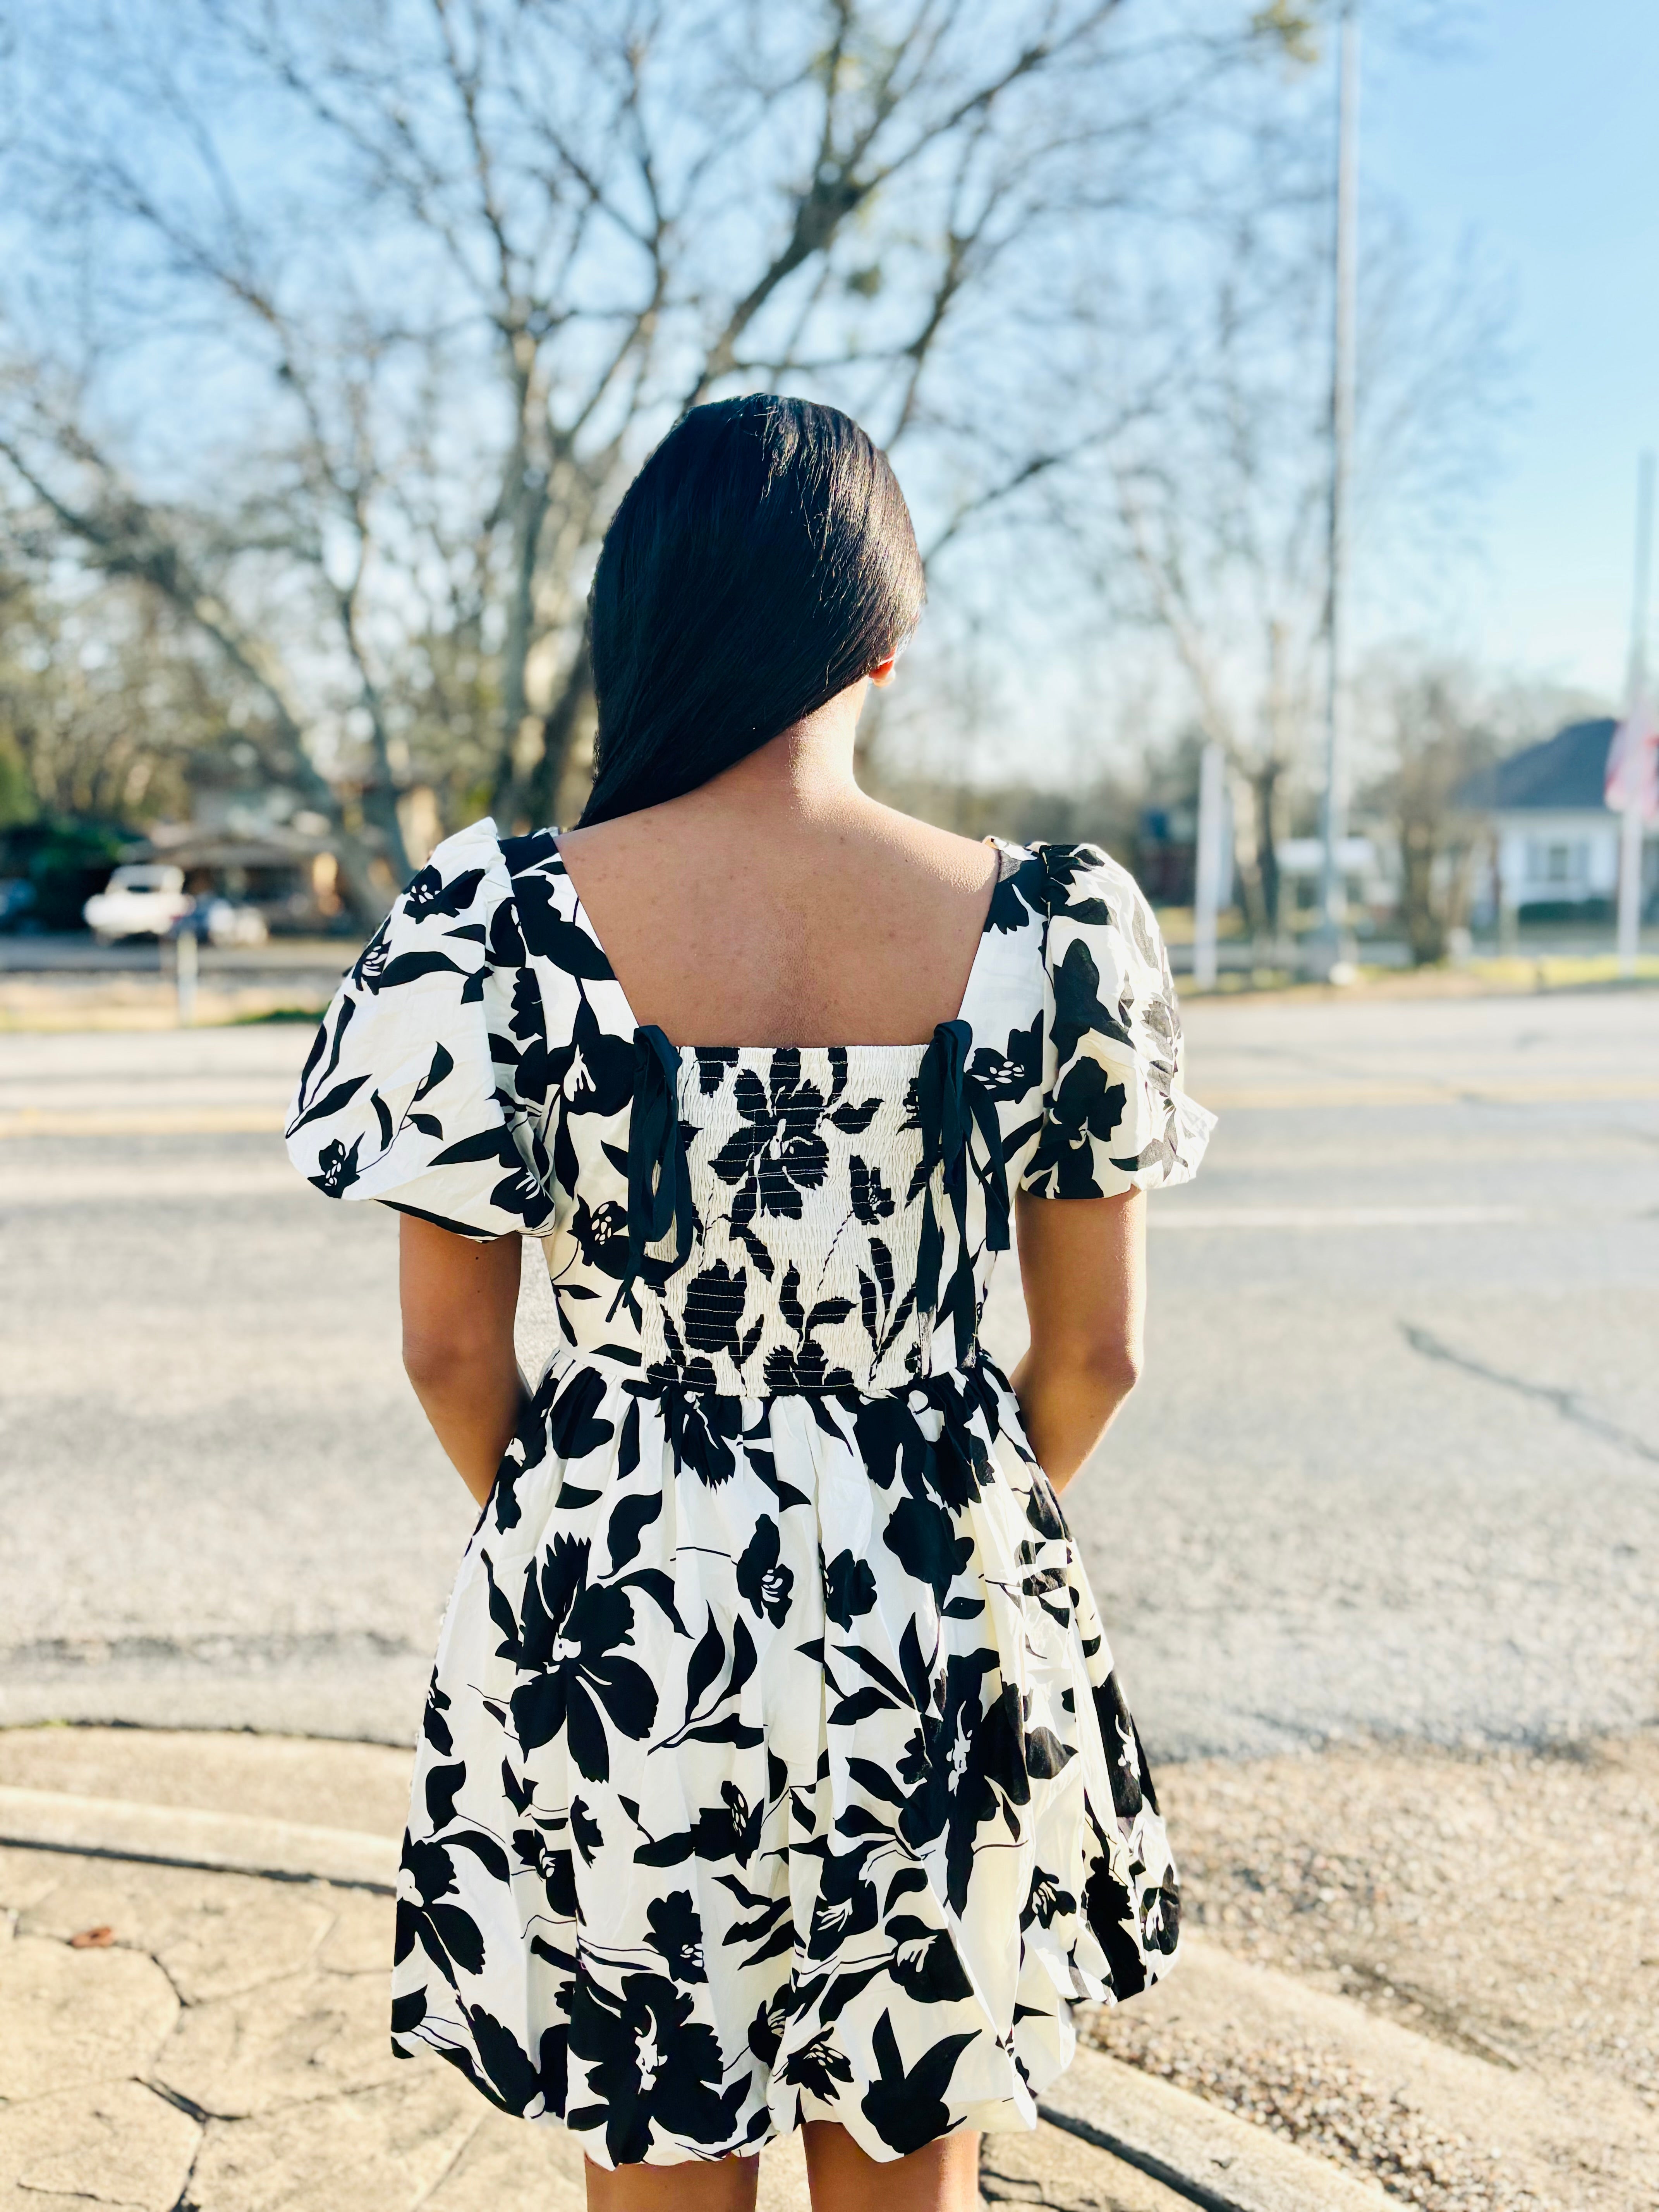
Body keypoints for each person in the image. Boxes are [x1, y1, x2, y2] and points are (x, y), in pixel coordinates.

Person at [285, 394, 1213, 2212]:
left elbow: (451, 1349)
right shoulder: (1051, 928)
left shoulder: (494, 926)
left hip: (616, 1597)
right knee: (902, 2157)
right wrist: (923, 1516)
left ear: (645, 630)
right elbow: (1098, 1354)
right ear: (883, 639)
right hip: (935, 1593)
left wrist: (599, 1514)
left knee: (661, 2148)